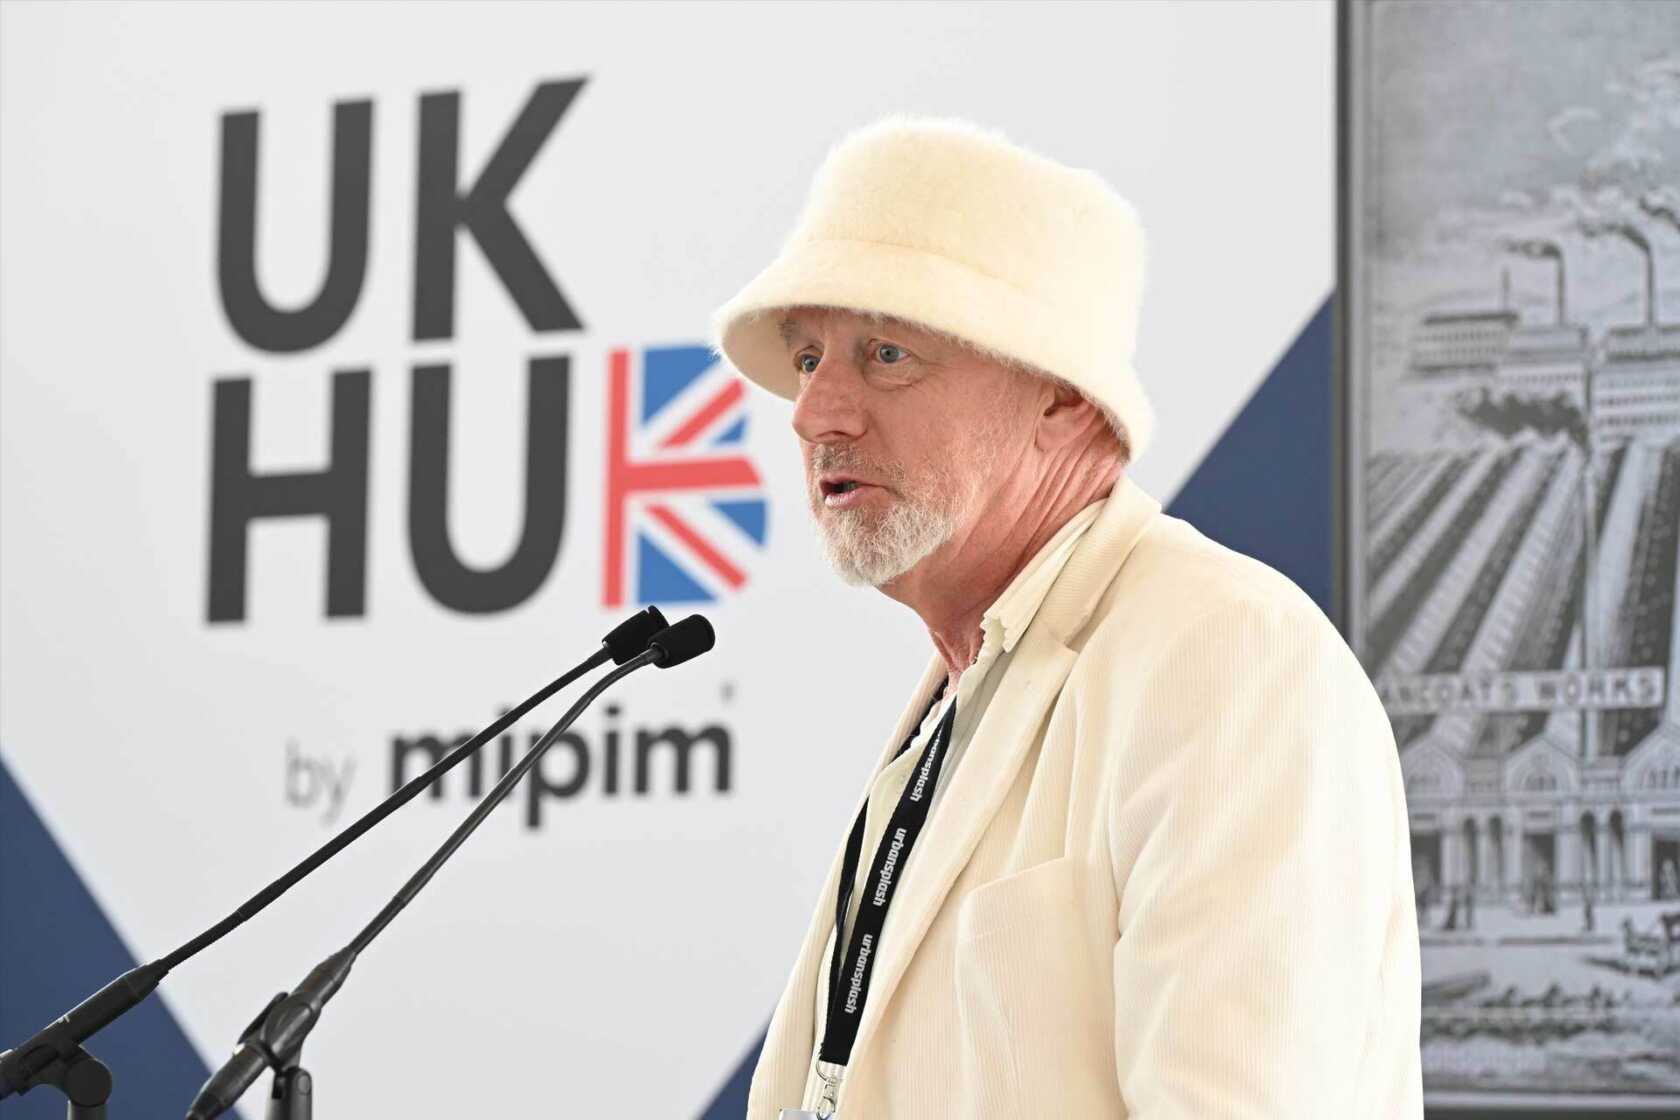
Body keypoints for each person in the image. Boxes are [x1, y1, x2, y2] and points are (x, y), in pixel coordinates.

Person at [711, 115, 1422, 1119]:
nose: (814, 412)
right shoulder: (961, 694)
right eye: (807, 357)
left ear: (1063, 401)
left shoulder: (1229, 654)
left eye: (885, 353)